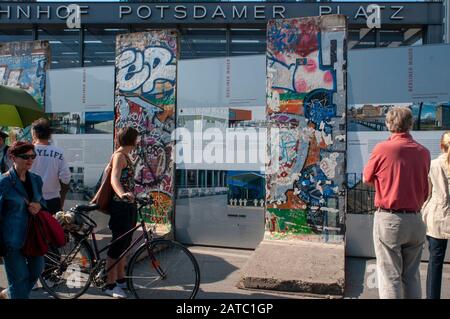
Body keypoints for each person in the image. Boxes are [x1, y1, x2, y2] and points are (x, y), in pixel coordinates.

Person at [363, 107, 430, 299]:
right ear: (410, 124)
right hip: (416, 219)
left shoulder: (382, 149)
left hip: (390, 219)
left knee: (390, 276)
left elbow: (367, 178)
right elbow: (425, 189)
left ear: (388, 124)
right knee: (411, 276)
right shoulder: (423, 152)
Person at [93, 127, 138, 299]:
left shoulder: (125, 155)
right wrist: (122, 194)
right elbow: (114, 178)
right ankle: (109, 284)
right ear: (134, 140)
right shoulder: (119, 156)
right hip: (121, 206)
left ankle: (120, 280)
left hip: (128, 205)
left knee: (124, 245)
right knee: (117, 245)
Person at [0, 142, 48, 299]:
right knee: (19, 278)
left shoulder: (36, 180)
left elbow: (43, 203)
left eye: (33, 156)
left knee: (36, 271)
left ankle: (11, 293)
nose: (30, 160)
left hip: (33, 236)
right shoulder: (4, 182)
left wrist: (38, 206)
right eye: (25, 156)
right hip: (11, 240)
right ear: (12, 157)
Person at [421, 131, 450, 299]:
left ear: (441, 146)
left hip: (437, 217)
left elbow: (427, 192)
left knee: (435, 262)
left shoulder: (433, 165)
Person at [30, 118, 71, 214]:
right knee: (51, 228)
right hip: (52, 200)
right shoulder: (58, 152)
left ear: (34, 134)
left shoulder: (28, 151)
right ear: (49, 134)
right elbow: (66, 178)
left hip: (31, 201)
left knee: (32, 228)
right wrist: (62, 201)